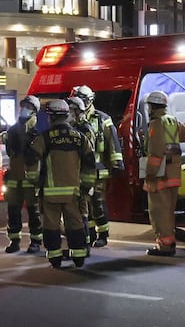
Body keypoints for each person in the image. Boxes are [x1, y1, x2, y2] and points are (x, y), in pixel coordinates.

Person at [29, 99, 95, 269]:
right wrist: (86, 188)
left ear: (51, 118)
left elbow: (32, 162)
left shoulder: (44, 139)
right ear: (67, 116)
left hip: (50, 194)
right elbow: (90, 164)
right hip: (74, 193)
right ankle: (79, 257)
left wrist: (34, 182)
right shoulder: (80, 138)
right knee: (75, 224)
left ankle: (55, 258)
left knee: (51, 227)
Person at [142, 90, 185, 256]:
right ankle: (169, 242)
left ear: (151, 107)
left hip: (159, 176)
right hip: (173, 175)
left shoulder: (156, 124)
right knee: (168, 211)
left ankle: (165, 246)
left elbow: (156, 153)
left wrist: (149, 174)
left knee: (159, 212)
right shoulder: (172, 121)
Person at [69, 85, 124, 248]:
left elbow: (112, 143)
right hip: (80, 170)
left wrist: (117, 163)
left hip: (99, 170)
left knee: (97, 203)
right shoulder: (74, 119)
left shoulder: (102, 119)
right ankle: (90, 232)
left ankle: (103, 233)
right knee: (84, 202)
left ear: (89, 100)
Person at [0, 95, 43, 254]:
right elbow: (9, 153)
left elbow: (40, 156)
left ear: (34, 111)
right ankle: (14, 240)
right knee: (13, 211)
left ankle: (36, 241)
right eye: (23, 106)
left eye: (29, 107)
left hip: (31, 179)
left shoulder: (38, 131)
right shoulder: (12, 130)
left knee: (34, 212)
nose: (24, 109)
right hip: (14, 178)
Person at [67, 96, 95, 252]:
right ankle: (83, 243)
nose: (69, 113)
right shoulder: (73, 127)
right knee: (78, 211)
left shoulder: (85, 129)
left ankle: (84, 244)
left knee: (82, 211)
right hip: (74, 175)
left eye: (71, 110)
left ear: (78, 111)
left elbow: (88, 156)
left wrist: (87, 183)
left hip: (81, 175)